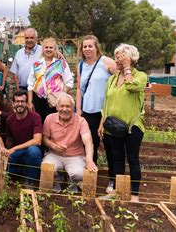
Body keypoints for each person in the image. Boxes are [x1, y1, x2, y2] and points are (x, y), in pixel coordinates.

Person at [98, 44, 147, 202]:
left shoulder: (140, 76)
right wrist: (102, 122)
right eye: (116, 56)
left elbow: (133, 86)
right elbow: (106, 102)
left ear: (131, 59)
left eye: (121, 57)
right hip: (113, 127)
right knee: (117, 159)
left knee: (133, 160)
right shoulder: (112, 78)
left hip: (132, 127)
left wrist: (127, 68)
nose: (117, 59)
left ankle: (134, 195)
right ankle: (116, 192)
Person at [75, 35, 116, 192]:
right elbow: (79, 89)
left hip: (106, 112)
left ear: (97, 47)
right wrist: (79, 111)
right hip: (88, 112)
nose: (87, 49)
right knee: (89, 146)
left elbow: (120, 80)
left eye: (90, 46)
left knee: (110, 147)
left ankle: (113, 180)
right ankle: (91, 177)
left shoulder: (106, 62)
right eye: (84, 47)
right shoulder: (80, 65)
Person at [42, 93, 97, 193]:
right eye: (62, 106)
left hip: (75, 156)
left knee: (79, 174)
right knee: (47, 168)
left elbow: (88, 141)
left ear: (73, 107)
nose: (64, 109)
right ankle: (57, 181)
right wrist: (54, 146)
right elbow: (44, 139)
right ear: (57, 107)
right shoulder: (49, 118)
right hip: (55, 154)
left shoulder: (81, 121)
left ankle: (71, 181)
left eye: (68, 106)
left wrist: (89, 159)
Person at [0, 90, 42, 185]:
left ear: (27, 103)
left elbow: (37, 141)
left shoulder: (35, 117)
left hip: (30, 152)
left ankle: (30, 183)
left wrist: (14, 148)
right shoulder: (10, 119)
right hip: (17, 153)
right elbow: (9, 140)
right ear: (13, 104)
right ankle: (23, 171)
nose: (20, 104)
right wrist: (6, 152)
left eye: (22, 101)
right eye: (17, 101)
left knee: (33, 151)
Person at [27, 37, 73, 123]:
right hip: (39, 101)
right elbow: (30, 84)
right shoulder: (36, 64)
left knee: (55, 124)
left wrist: (61, 95)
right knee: (40, 123)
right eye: (46, 47)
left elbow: (69, 82)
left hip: (55, 101)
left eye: (51, 47)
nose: (48, 49)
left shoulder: (61, 64)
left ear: (55, 50)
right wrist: (30, 102)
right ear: (43, 49)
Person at [10, 28, 42, 92]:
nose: (29, 40)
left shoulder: (42, 51)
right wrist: (18, 88)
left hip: (38, 90)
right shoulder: (19, 53)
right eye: (27, 38)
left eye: (31, 38)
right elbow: (15, 72)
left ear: (36, 39)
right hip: (22, 90)